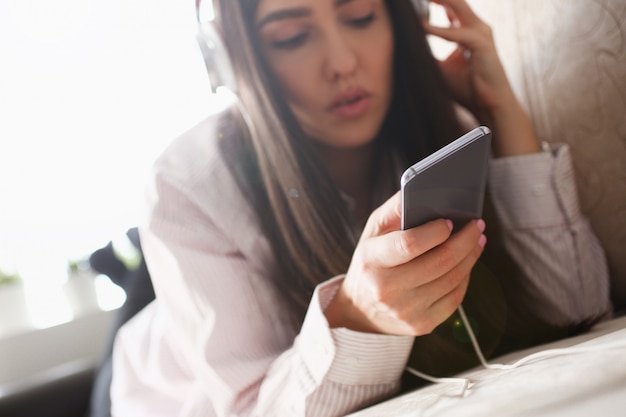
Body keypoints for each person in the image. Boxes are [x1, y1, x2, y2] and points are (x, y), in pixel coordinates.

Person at [110, 0, 613, 416]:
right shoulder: (185, 184)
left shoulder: (443, 129)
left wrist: (502, 111)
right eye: (290, 38)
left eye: (360, 17)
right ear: (229, 56)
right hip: (159, 382)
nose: (343, 63)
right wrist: (354, 316)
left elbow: (580, 310)